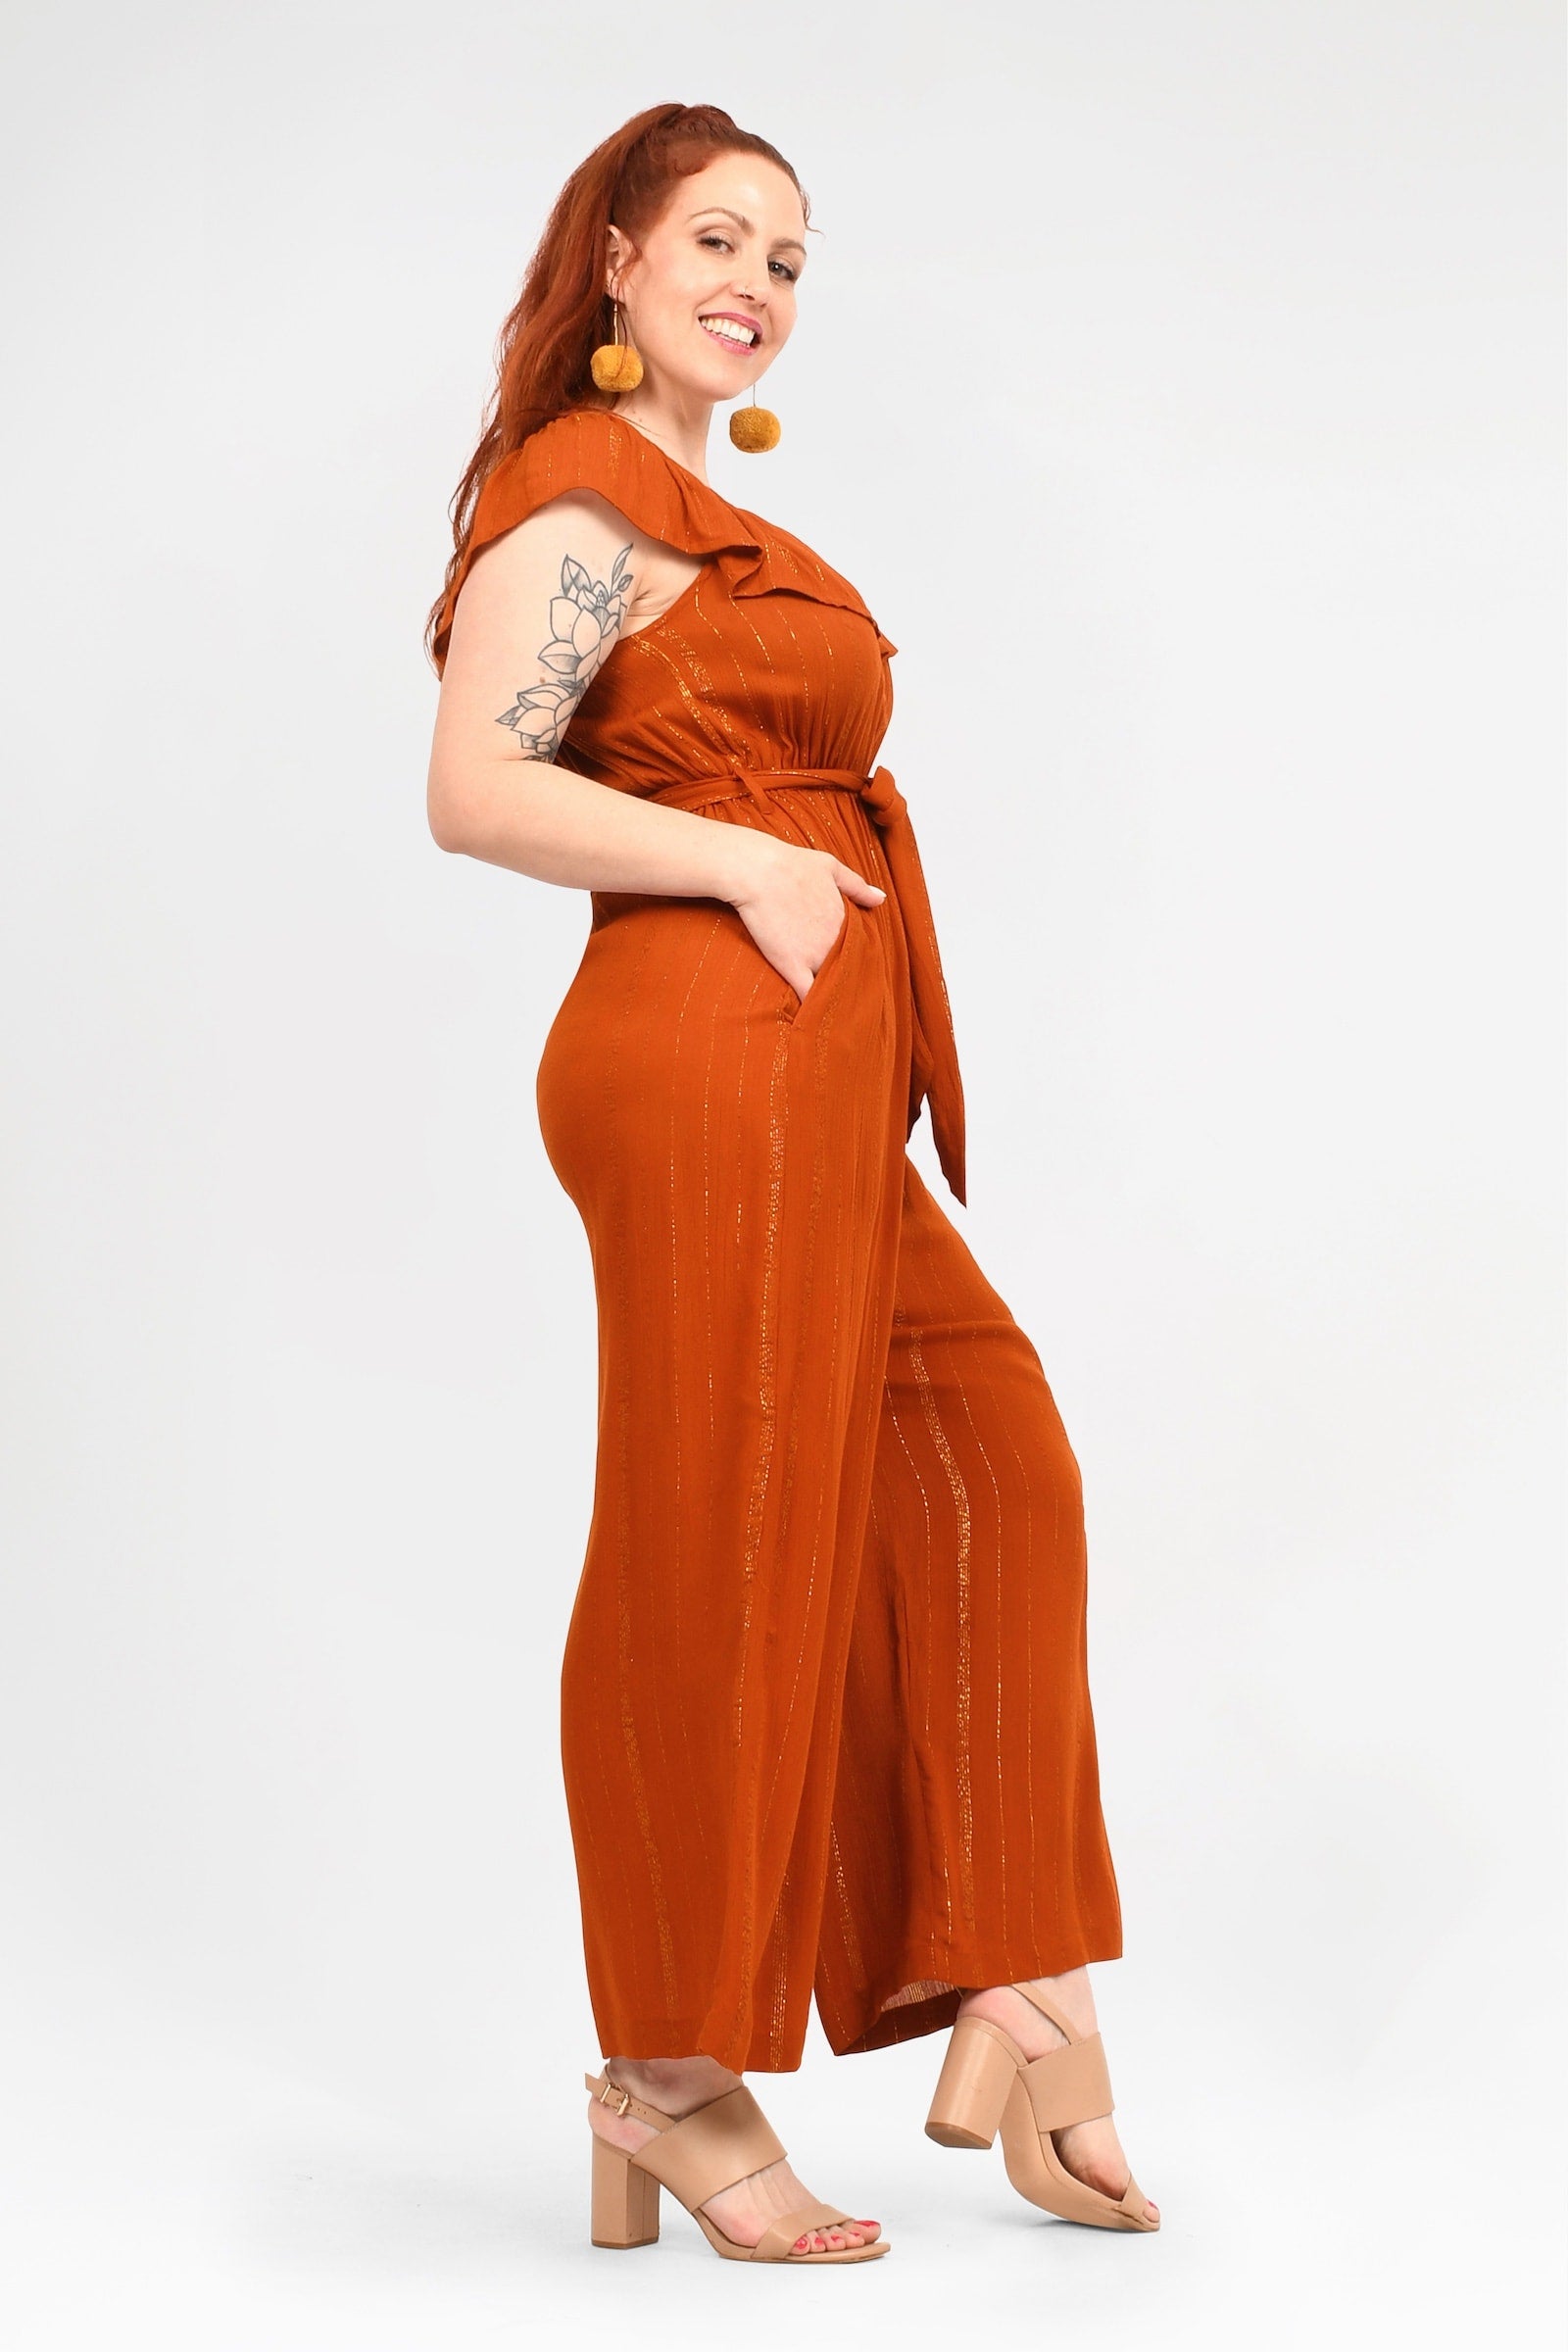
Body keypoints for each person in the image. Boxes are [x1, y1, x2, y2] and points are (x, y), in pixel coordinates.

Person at [424, 101, 1159, 2268]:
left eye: (790, 259)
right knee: (719, 1534)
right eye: (719, 240)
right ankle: (665, 2079)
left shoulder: (700, 517)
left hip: (819, 1073)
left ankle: (1020, 1971)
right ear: (619, 260)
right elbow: (476, 786)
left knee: (989, 1455)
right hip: (702, 1052)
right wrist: (744, 864)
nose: (756, 283)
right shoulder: (578, 500)